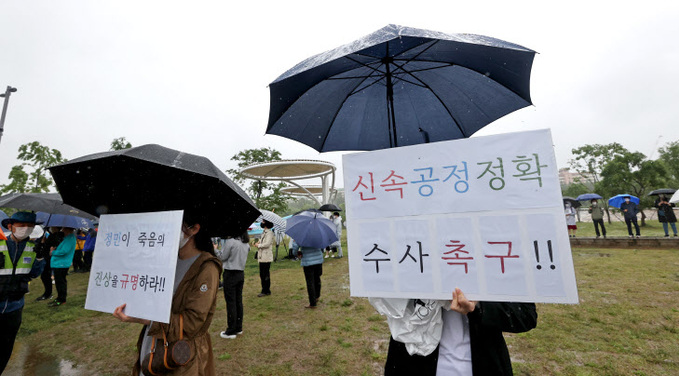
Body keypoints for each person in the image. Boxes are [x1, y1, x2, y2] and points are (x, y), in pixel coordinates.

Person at [113, 213, 222, 376]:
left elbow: (192, 323)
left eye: (171, 224)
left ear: (194, 229)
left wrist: (149, 319)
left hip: (181, 356)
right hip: (153, 346)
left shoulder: (206, 268)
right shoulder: (165, 260)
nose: (163, 230)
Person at [384, 288, 537, 375]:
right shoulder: (410, 243)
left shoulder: (494, 249)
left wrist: (479, 306)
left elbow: (525, 315)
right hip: (411, 364)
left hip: (483, 365)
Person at [0, 212, 46, 373]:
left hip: (15, 307)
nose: (25, 229)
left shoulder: (33, 247)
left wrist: (40, 258)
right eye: (21, 226)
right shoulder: (1, 242)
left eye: (30, 226)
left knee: (5, 347)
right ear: (10, 226)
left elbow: (34, 274)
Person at [217, 231, 250, 339]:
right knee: (238, 301)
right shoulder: (246, 243)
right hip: (240, 273)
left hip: (230, 273)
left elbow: (222, 257)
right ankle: (238, 327)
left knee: (231, 302)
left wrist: (214, 249)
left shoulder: (231, 242)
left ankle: (231, 330)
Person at [49, 226, 77, 307]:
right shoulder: (68, 238)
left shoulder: (70, 238)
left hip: (62, 264)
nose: (62, 230)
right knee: (59, 282)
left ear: (68, 229)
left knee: (60, 282)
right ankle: (59, 298)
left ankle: (61, 299)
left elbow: (64, 251)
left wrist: (53, 252)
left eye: (64, 228)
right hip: (60, 263)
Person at [35, 227, 64, 301]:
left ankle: (50, 294)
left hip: (51, 258)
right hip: (48, 257)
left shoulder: (57, 236)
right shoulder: (53, 235)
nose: (51, 228)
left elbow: (55, 246)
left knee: (46, 276)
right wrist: (43, 242)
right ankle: (48, 293)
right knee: (45, 276)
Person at [297, 242, 324, 309]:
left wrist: (296, 254)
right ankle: (317, 296)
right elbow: (323, 246)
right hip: (318, 260)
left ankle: (312, 303)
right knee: (317, 278)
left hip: (308, 261)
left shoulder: (301, 235)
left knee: (310, 282)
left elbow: (295, 246)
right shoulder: (318, 234)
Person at [255, 220, 274, 297]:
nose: (262, 223)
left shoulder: (269, 233)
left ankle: (266, 290)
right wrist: (258, 243)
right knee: (262, 274)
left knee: (265, 274)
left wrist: (259, 245)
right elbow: (262, 241)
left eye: (263, 222)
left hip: (266, 256)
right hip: (262, 256)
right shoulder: (264, 232)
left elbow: (267, 244)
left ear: (266, 223)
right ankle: (265, 289)